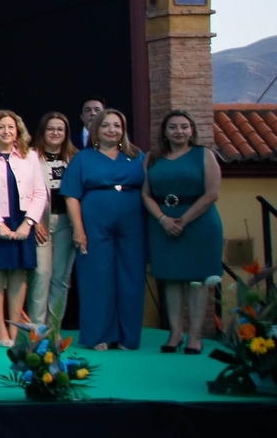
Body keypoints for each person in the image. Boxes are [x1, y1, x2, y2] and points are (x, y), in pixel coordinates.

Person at [63, 108, 147, 351]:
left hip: (132, 224)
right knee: (96, 278)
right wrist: (78, 230)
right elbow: (70, 196)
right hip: (94, 224)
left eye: (117, 126)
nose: (112, 130)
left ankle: (127, 338)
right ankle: (98, 335)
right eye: (106, 125)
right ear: (96, 130)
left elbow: (149, 191)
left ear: (123, 130)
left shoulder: (137, 156)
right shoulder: (83, 158)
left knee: (131, 278)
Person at [142, 109, 224, 355]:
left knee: (197, 281)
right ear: (165, 132)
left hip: (199, 224)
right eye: (173, 127)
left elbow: (212, 193)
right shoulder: (153, 158)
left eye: (184, 126)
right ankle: (175, 333)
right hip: (163, 224)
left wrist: (183, 220)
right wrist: (164, 219)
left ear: (192, 130)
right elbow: (145, 194)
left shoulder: (204, 155)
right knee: (171, 280)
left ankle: (195, 336)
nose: (179, 131)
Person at [0, 110, 49, 346]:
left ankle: (16, 327)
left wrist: (29, 222)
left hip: (22, 221)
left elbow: (39, 192)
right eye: (1, 127)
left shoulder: (30, 156)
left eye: (11, 127)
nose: (6, 131)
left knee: (18, 273)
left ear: (18, 132)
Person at [28, 112, 78, 329]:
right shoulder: (29, 156)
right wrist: (34, 220)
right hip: (41, 223)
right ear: (42, 131)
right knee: (41, 275)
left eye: (60, 129)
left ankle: (53, 328)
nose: (55, 133)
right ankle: (37, 327)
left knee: (61, 277)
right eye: (51, 128)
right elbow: (24, 192)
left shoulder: (75, 158)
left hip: (67, 223)